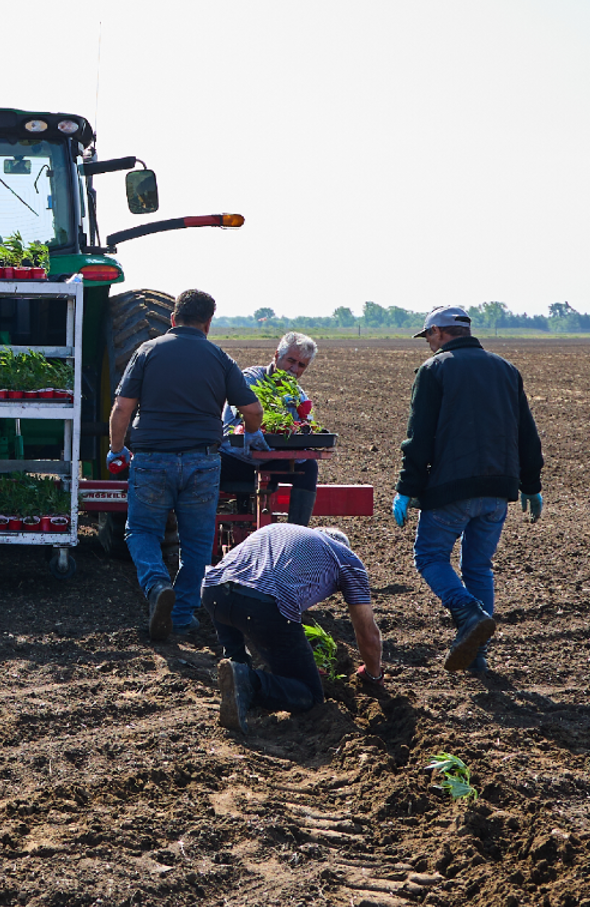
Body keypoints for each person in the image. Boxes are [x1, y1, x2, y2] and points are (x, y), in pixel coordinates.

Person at [391, 306, 545, 674]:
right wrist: (531, 484)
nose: (427, 343)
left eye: (427, 335)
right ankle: (478, 654)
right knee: (478, 567)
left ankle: (468, 613)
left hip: (451, 487)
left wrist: (406, 487)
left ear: (441, 332)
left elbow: (420, 435)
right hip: (499, 489)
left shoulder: (435, 370)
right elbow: (526, 431)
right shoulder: (506, 369)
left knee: (430, 557)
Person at [108, 289, 266, 642]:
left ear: (172, 318)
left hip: (151, 459)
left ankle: (156, 586)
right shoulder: (219, 358)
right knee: (196, 543)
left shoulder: (147, 351)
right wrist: (251, 435)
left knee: (141, 532)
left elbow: (122, 408)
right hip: (202, 461)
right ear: (208, 323)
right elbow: (253, 411)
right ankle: (180, 615)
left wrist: (116, 448)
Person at [203, 524, 385, 734]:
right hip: (261, 603)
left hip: (213, 591)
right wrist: (373, 674)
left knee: (238, 645)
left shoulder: (278, 530)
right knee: (310, 694)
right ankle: (247, 683)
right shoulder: (347, 560)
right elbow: (367, 633)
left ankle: (236, 673)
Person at [220, 331, 321, 527]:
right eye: (291, 360)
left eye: (301, 365)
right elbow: (243, 414)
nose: (294, 369)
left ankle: (296, 535)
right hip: (238, 460)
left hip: (270, 462)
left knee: (308, 467)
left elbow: (306, 425)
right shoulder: (250, 379)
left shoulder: (298, 394)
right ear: (277, 356)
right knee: (210, 464)